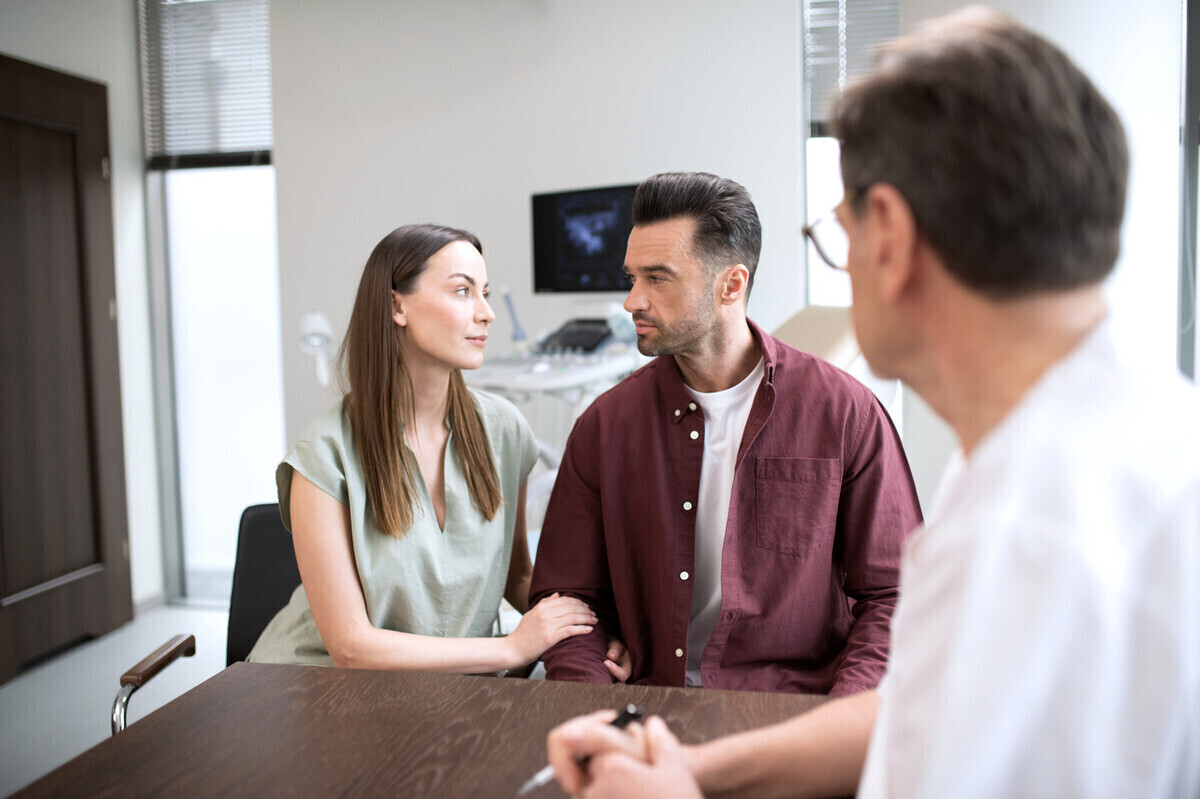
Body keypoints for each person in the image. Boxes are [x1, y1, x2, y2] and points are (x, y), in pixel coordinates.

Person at [545, 7, 1200, 798]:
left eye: (838, 231)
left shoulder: (1042, 524)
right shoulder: (1079, 449)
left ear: (886, 233)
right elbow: (918, 719)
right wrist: (697, 771)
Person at [529, 171, 923, 695]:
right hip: (650, 704)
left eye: (658, 278)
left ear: (731, 285)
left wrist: (841, 716)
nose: (633, 302)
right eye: (632, 278)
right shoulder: (605, 426)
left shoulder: (845, 413)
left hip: (795, 712)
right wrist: (593, 700)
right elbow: (567, 599)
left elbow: (895, 593)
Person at [247, 223, 602, 673]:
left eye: (485, 293)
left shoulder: (504, 431)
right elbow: (351, 649)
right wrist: (511, 648)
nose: (486, 312)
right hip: (320, 688)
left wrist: (591, 635)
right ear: (397, 305)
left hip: (453, 689)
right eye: (462, 292)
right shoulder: (324, 453)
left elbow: (517, 578)